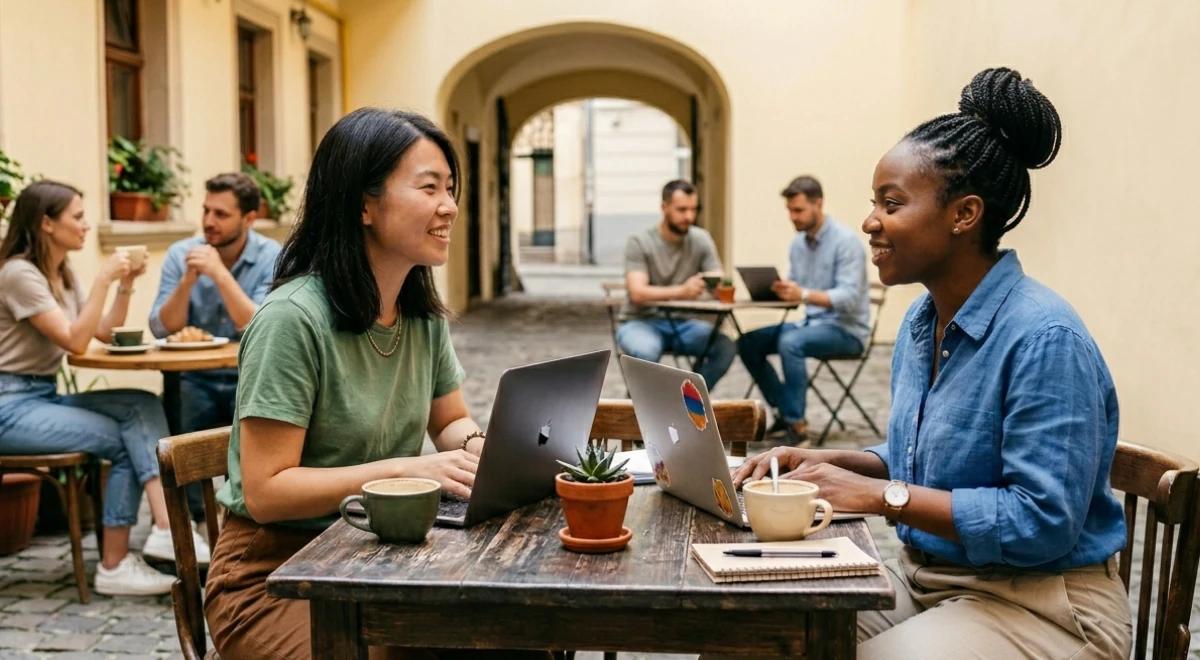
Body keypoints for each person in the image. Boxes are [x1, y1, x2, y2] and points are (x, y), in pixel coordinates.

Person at [733, 68, 1130, 659]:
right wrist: (832, 462)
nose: (870, 222)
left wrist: (876, 496)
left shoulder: (1045, 337)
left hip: (1044, 606)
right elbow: (933, 460)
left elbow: (1043, 520)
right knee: (748, 636)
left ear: (963, 214)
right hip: (932, 585)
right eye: (874, 204)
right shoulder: (925, 321)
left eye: (891, 204)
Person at [204, 108, 548, 660]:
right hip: (276, 575)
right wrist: (403, 469)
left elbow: (450, 420)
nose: (450, 207)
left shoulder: (420, 313)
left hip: (379, 555)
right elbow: (267, 492)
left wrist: (482, 451)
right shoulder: (292, 319)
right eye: (429, 187)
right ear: (363, 204)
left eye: (451, 189)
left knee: (517, 636)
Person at [0, 180, 206, 596]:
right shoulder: (18, 274)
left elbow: (104, 331)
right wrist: (103, 278)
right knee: (126, 437)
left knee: (140, 402)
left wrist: (125, 283)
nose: (86, 226)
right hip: (9, 405)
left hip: (39, 395)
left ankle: (159, 531)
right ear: (45, 223)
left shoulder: (60, 273)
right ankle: (122, 558)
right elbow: (75, 341)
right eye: (77, 217)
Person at [736, 176, 869, 444]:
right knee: (748, 342)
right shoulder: (798, 245)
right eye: (789, 210)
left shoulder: (846, 242)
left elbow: (850, 297)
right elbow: (798, 291)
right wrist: (782, 291)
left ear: (818, 204)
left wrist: (804, 294)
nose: (792, 217)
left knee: (790, 342)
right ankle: (785, 412)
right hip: (809, 324)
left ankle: (796, 424)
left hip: (846, 330)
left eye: (798, 210)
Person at [149, 172, 281, 434]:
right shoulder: (181, 254)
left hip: (250, 377)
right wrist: (187, 281)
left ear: (249, 219)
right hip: (193, 378)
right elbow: (162, 329)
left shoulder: (272, 256)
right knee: (182, 452)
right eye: (206, 211)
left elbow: (260, 328)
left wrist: (220, 274)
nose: (208, 221)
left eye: (221, 215)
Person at [617, 179, 736, 389]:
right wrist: (683, 291)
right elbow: (637, 293)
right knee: (646, 351)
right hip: (641, 321)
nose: (689, 216)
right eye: (682, 210)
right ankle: (642, 410)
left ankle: (686, 403)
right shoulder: (640, 241)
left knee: (725, 347)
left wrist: (717, 284)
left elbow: (717, 277)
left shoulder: (701, 239)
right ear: (664, 207)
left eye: (693, 209)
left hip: (684, 324)